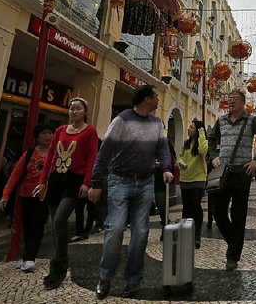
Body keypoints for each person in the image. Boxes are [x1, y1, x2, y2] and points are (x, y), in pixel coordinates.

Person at [87, 85, 173, 300]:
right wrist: (96, 182)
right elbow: (104, 151)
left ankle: (133, 280)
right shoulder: (122, 120)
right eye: (155, 96)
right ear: (145, 99)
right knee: (115, 229)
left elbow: (163, 148)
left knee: (141, 232)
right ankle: (105, 277)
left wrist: (166, 168)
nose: (158, 100)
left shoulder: (157, 123)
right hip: (120, 180)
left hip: (145, 183)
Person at [33, 98, 99, 290]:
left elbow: (92, 158)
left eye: (78, 108)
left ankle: (58, 266)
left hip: (74, 182)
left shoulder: (90, 131)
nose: (74, 111)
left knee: (60, 220)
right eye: (72, 109)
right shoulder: (61, 131)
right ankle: (62, 260)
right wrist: (42, 182)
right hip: (56, 180)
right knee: (54, 224)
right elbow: (51, 156)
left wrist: (87, 183)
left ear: (85, 111)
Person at [208, 89, 256, 271]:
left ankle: (232, 256)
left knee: (238, 214)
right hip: (223, 171)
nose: (231, 102)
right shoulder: (221, 120)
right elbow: (211, 140)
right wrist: (213, 156)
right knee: (217, 210)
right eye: (229, 99)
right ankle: (234, 242)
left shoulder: (251, 120)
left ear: (243, 102)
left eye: (235, 99)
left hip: (242, 172)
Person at [0, 123, 54, 274]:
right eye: (44, 133)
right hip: (26, 194)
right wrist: (5, 195)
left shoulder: (55, 155)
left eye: (50, 133)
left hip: (44, 196)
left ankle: (30, 257)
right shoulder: (29, 154)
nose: (48, 136)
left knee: (38, 225)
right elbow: (15, 175)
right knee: (28, 226)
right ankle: (27, 257)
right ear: (37, 136)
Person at [178, 119, 208, 248]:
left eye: (191, 127)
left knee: (196, 206)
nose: (188, 129)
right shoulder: (186, 143)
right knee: (186, 208)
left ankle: (197, 235)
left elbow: (203, 151)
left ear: (197, 131)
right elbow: (180, 156)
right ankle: (186, 233)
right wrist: (180, 162)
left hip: (198, 178)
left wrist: (202, 133)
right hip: (185, 178)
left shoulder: (203, 142)